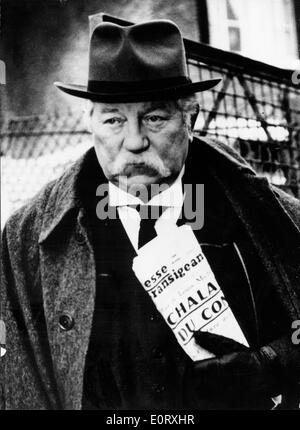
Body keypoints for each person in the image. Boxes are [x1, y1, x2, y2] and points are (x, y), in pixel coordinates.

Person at [1, 16, 300, 411]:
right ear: (90, 123)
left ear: (189, 119)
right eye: (113, 120)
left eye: (155, 118)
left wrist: (272, 361)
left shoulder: (265, 214)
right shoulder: (27, 241)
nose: (135, 141)